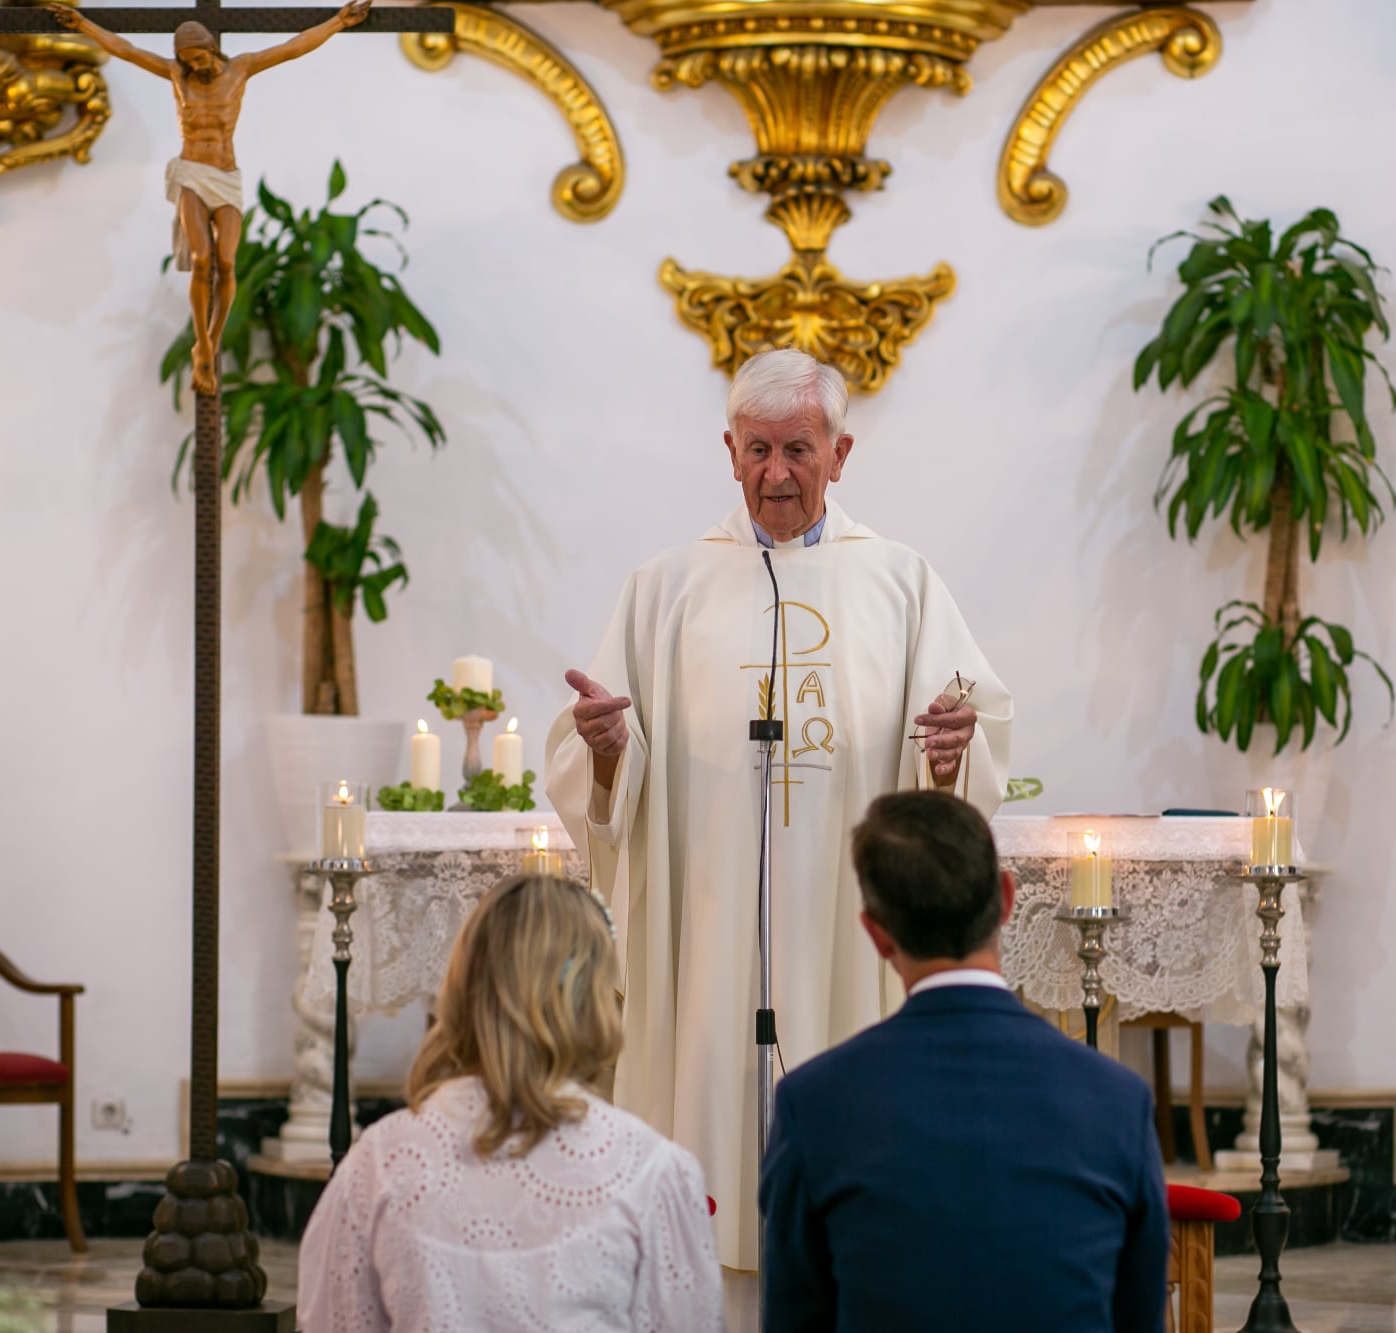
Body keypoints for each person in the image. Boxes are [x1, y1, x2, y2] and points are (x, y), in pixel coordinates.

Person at [544, 348, 1014, 1266]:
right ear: (728, 451)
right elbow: (608, 771)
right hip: (707, 924)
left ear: (841, 454)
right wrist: (607, 753)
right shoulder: (665, 589)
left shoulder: (900, 583)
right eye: (757, 449)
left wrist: (950, 755)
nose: (777, 472)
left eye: (798, 449)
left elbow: (961, 736)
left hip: (848, 919)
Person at [760, 791, 1169, 1332]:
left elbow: (795, 1318)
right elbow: (1138, 1317)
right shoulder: (1117, 1098)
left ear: (877, 934)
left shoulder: (814, 1104)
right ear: (1005, 898)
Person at [297, 874, 725, 1332]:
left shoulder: (379, 1161)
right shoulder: (653, 1170)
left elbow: (333, 1319)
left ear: (461, 984)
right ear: (594, 994)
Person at [42, 0, 371, 391]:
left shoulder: (241, 69)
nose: (193, 66)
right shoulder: (176, 74)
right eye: (187, 61)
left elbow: (293, 46)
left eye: (197, 58)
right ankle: (201, 344)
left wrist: (336, 22)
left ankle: (211, 345)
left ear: (211, 48)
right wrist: (83, 24)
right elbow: (125, 49)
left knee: (227, 262)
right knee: (202, 259)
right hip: (192, 173)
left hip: (226, 177)